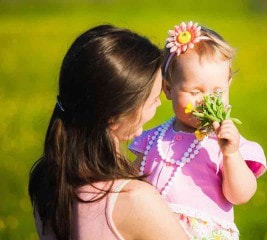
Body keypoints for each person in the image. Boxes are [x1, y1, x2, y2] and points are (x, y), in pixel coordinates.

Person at [28, 24, 189, 240]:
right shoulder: (135, 200)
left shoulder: (47, 181)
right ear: (114, 118)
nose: (159, 103)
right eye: (152, 99)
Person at [129, 21, 266, 239]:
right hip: (154, 230)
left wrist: (231, 154)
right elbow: (131, 184)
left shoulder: (229, 144)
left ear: (228, 84)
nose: (206, 101)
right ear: (168, 89)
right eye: (195, 92)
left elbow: (240, 195)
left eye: (217, 91)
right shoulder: (153, 139)